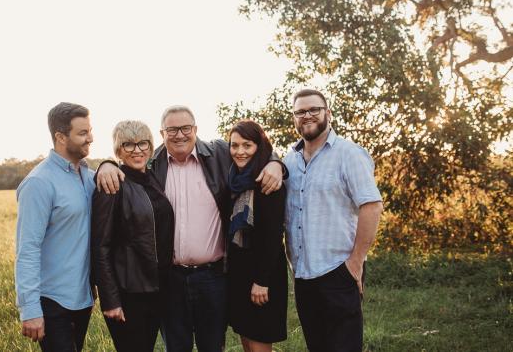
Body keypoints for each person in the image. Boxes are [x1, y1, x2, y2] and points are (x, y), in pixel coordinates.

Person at [96, 105, 284, 352]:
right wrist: (106, 164)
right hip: (170, 279)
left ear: (195, 129)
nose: (179, 135)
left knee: (212, 346)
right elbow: (129, 164)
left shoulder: (219, 154)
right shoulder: (153, 164)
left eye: (185, 128)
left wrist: (276, 163)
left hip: (214, 277)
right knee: (176, 347)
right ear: (162, 133)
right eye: (172, 130)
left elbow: (254, 149)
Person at [284, 89, 383, 352]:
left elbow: (371, 206)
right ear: (294, 118)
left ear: (328, 113)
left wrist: (355, 262)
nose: (307, 116)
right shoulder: (289, 161)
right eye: (300, 112)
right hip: (304, 276)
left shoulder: (349, 154)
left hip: (339, 271)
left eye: (314, 109)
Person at [15, 102, 95, 351]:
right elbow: (27, 249)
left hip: (83, 298)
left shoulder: (89, 176)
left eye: (90, 131)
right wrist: (30, 309)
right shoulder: (39, 183)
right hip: (52, 301)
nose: (90, 138)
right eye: (82, 133)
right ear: (60, 137)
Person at [91, 120, 174, 352]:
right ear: (118, 149)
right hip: (129, 294)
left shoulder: (153, 178)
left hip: (156, 289)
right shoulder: (112, 184)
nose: (137, 150)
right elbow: (101, 246)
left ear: (151, 146)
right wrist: (111, 299)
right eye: (128, 144)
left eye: (143, 143)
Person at [226, 120, 288, 352]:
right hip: (239, 271)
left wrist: (262, 281)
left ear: (259, 147)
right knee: (246, 337)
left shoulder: (269, 181)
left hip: (264, 274)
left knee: (260, 339)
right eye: (234, 145)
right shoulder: (233, 179)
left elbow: (273, 236)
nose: (240, 151)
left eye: (247, 145)